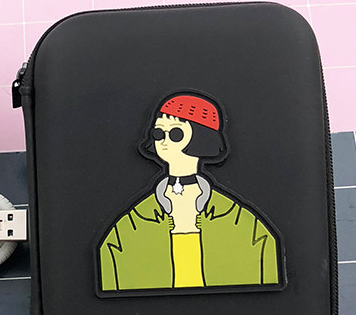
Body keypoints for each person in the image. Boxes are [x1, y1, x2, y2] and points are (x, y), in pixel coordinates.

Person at [98, 92, 282, 294]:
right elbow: (111, 265)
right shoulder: (127, 230)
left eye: (175, 134)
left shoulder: (246, 227)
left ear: (201, 137)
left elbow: (265, 266)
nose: (164, 141)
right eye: (159, 133)